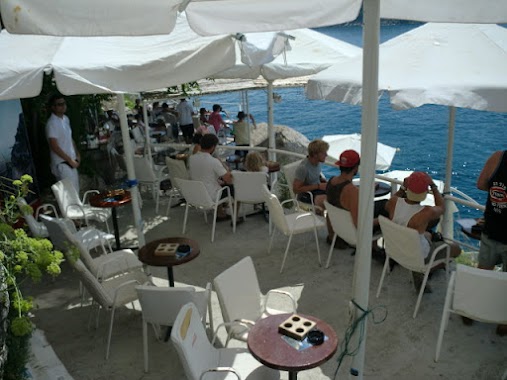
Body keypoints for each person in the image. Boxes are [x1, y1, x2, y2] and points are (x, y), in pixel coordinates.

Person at [384, 171, 462, 291]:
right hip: (417, 256)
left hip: (397, 248)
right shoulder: (426, 212)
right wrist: (433, 186)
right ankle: (421, 270)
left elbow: (397, 196)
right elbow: (442, 208)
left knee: (427, 234)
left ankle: (419, 270)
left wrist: (403, 187)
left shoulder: (392, 202)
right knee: (456, 249)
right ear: (424, 193)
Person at [326, 149, 386, 251]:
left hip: (339, 227)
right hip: (354, 233)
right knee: (384, 211)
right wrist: (382, 220)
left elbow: (342, 198)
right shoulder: (352, 191)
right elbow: (359, 224)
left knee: (380, 205)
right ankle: (373, 248)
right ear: (355, 168)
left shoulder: (331, 181)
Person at [475, 150, 507, 336]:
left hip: (491, 227)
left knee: (483, 273)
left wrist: (497, 191)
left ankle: (471, 309)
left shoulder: (498, 157)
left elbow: (480, 184)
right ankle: (503, 323)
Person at [188, 134, 233, 221]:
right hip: (210, 196)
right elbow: (229, 179)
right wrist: (223, 164)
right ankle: (235, 218)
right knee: (232, 188)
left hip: (196, 194)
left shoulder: (192, 158)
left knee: (217, 185)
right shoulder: (213, 161)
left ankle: (220, 213)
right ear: (213, 147)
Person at [45, 95, 81, 193]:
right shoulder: (51, 123)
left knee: (75, 192)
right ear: (53, 107)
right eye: (60, 104)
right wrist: (69, 160)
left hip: (71, 161)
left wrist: (77, 154)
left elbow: (70, 139)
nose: (63, 106)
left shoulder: (66, 119)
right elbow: (54, 146)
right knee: (69, 194)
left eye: (64, 103)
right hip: (62, 163)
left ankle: (77, 208)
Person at [293, 139, 329, 209]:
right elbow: (296, 189)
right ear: (315, 155)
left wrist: (322, 180)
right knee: (329, 201)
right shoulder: (303, 168)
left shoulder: (317, 163)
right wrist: (318, 186)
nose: (326, 155)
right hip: (307, 195)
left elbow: (314, 176)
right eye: (323, 153)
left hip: (317, 190)